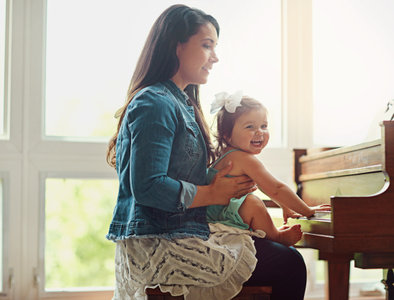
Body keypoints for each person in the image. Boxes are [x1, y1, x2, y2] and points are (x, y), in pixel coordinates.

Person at [106, 4, 308, 300]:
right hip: (162, 241)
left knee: (281, 256)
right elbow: (148, 187)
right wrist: (213, 194)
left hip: (179, 229)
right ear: (177, 46)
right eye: (206, 45)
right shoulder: (156, 102)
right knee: (290, 264)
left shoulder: (179, 101)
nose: (215, 57)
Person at [206, 92, 331, 246]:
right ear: (227, 135)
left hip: (214, 216)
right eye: (250, 127)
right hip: (221, 217)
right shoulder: (243, 159)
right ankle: (276, 235)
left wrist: (285, 207)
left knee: (251, 201)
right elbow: (275, 188)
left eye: (264, 126)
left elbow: (266, 187)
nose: (260, 132)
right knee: (253, 203)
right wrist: (307, 210)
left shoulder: (227, 155)